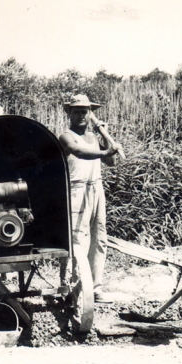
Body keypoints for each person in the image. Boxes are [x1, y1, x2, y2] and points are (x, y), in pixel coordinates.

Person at [58, 94, 122, 331]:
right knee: (77, 239)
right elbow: (80, 153)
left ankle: (96, 286)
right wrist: (108, 151)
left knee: (99, 238)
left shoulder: (94, 136)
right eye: (76, 111)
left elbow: (112, 164)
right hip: (76, 190)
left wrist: (106, 138)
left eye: (85, 111)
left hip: (97, 188)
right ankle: (73, 286)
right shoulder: (66, 136)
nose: (81, 115)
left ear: (90, 113)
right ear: (69, 113)